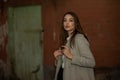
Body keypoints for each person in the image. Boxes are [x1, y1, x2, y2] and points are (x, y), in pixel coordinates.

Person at [53, 11, 96, 80]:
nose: (67, 23)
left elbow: (91, 62)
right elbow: (65, 64)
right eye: (65, 20)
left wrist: (71, 56)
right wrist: (58, 58)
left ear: (75, 23)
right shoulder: (65, 39)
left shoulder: (79, 38)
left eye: (70, 20)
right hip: (63, 75)